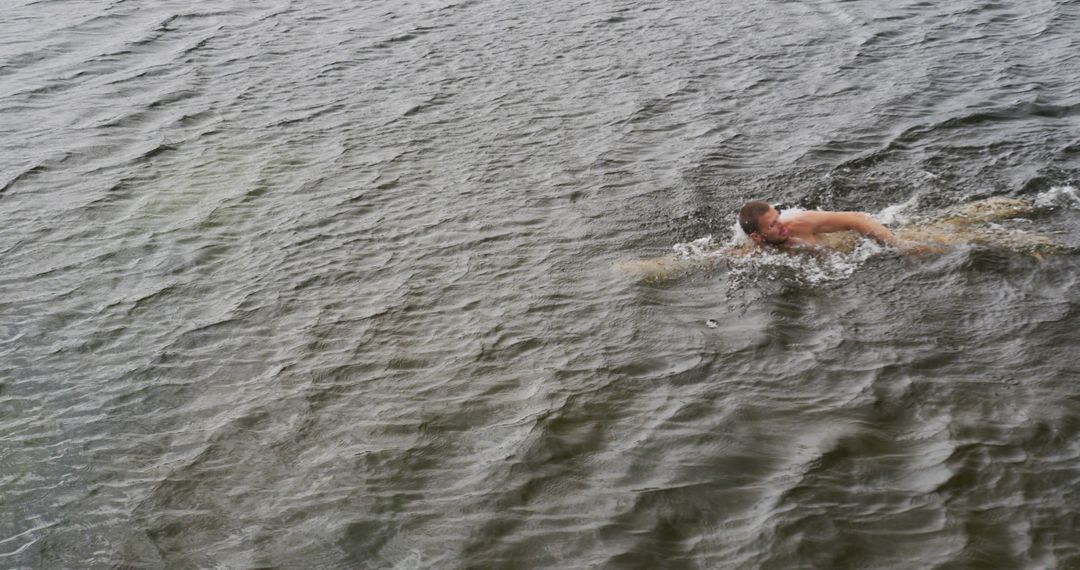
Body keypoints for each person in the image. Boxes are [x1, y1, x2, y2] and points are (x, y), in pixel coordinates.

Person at [737, 200, 898, 249]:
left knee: (919, 246)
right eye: (772, 225)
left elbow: (857, 219)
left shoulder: (800, 222)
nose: (781, 225)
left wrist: (898, 244)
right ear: (756, 236)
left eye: (777, 218)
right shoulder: (753, 250)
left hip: (854, 243)